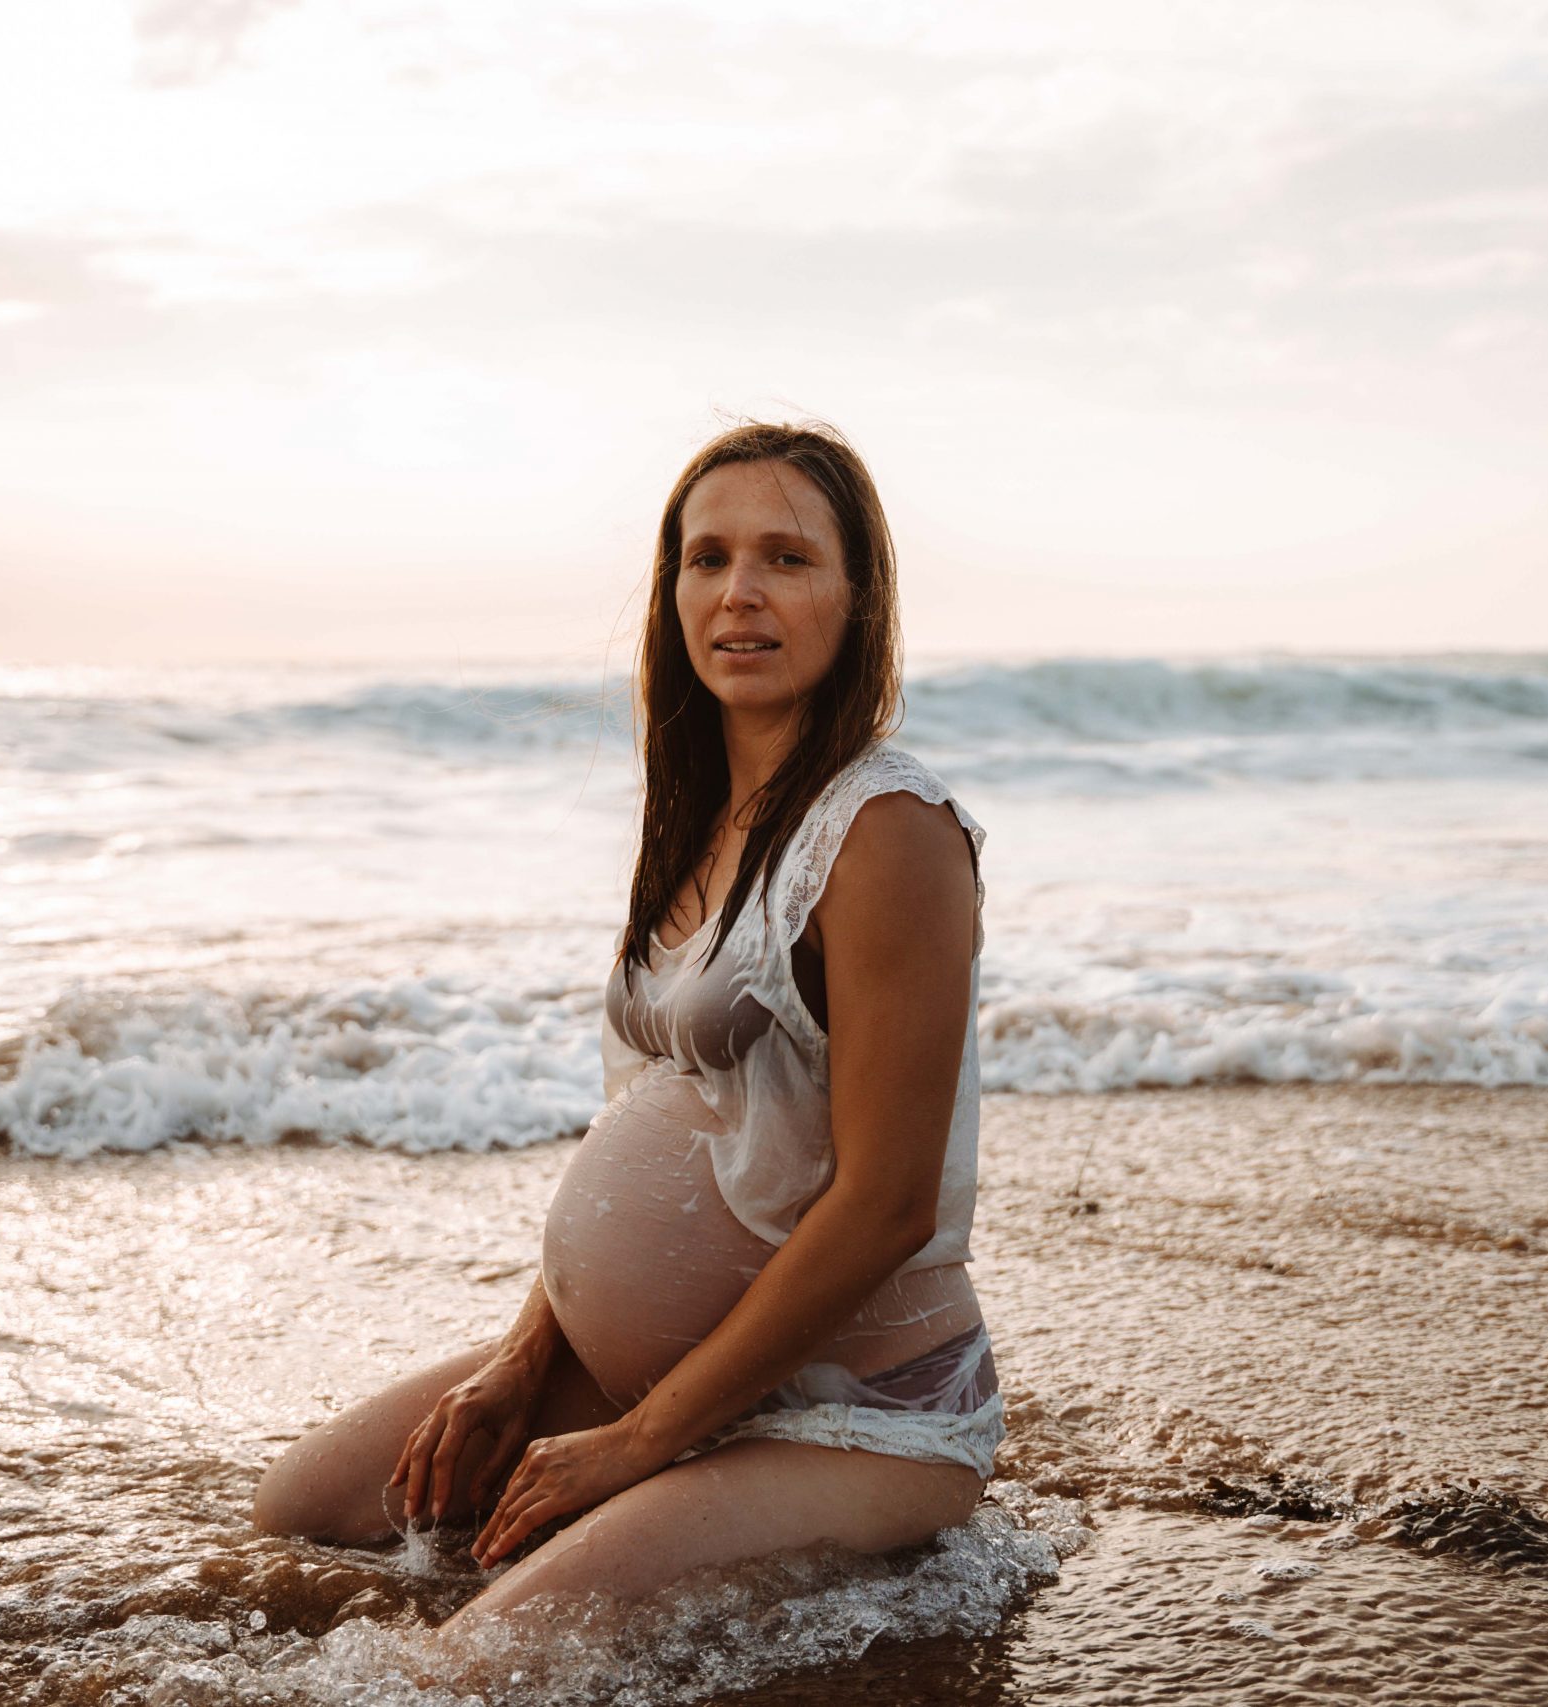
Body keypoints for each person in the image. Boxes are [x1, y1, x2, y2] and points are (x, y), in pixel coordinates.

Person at [252, 420, 1000, 1634]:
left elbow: (886, 1206)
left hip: (856, 1411)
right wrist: (520, 1362)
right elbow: (654, 1116)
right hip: (655, 1377)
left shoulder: (889, 834)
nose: (738, 593)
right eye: (705, 559)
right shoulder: (701, 820)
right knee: (304, 1513)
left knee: (476, 1661)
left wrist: (632, 1446)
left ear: (858, 599)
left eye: (786, 559)